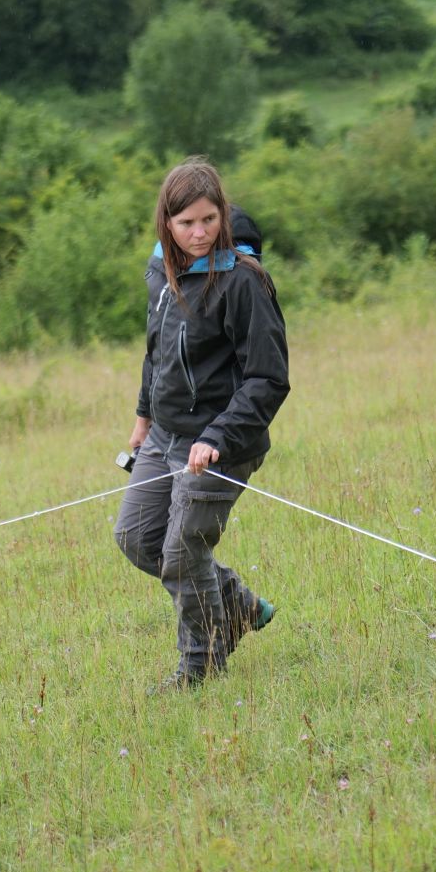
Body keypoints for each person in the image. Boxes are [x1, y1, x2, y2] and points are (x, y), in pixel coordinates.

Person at [114, 159, 290, 691]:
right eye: (186, 222)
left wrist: (216, 436)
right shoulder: (160, 272)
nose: (199, 233)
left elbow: (268, 379)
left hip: (222, 443)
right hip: (164, 435)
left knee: (181, 552)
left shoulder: (244, 281)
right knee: (136, 537)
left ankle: (201, 664)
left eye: (209, 220)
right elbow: (157, 352)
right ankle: (235, 604)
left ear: (223, 216)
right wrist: (144, 416)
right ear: (166, 222)